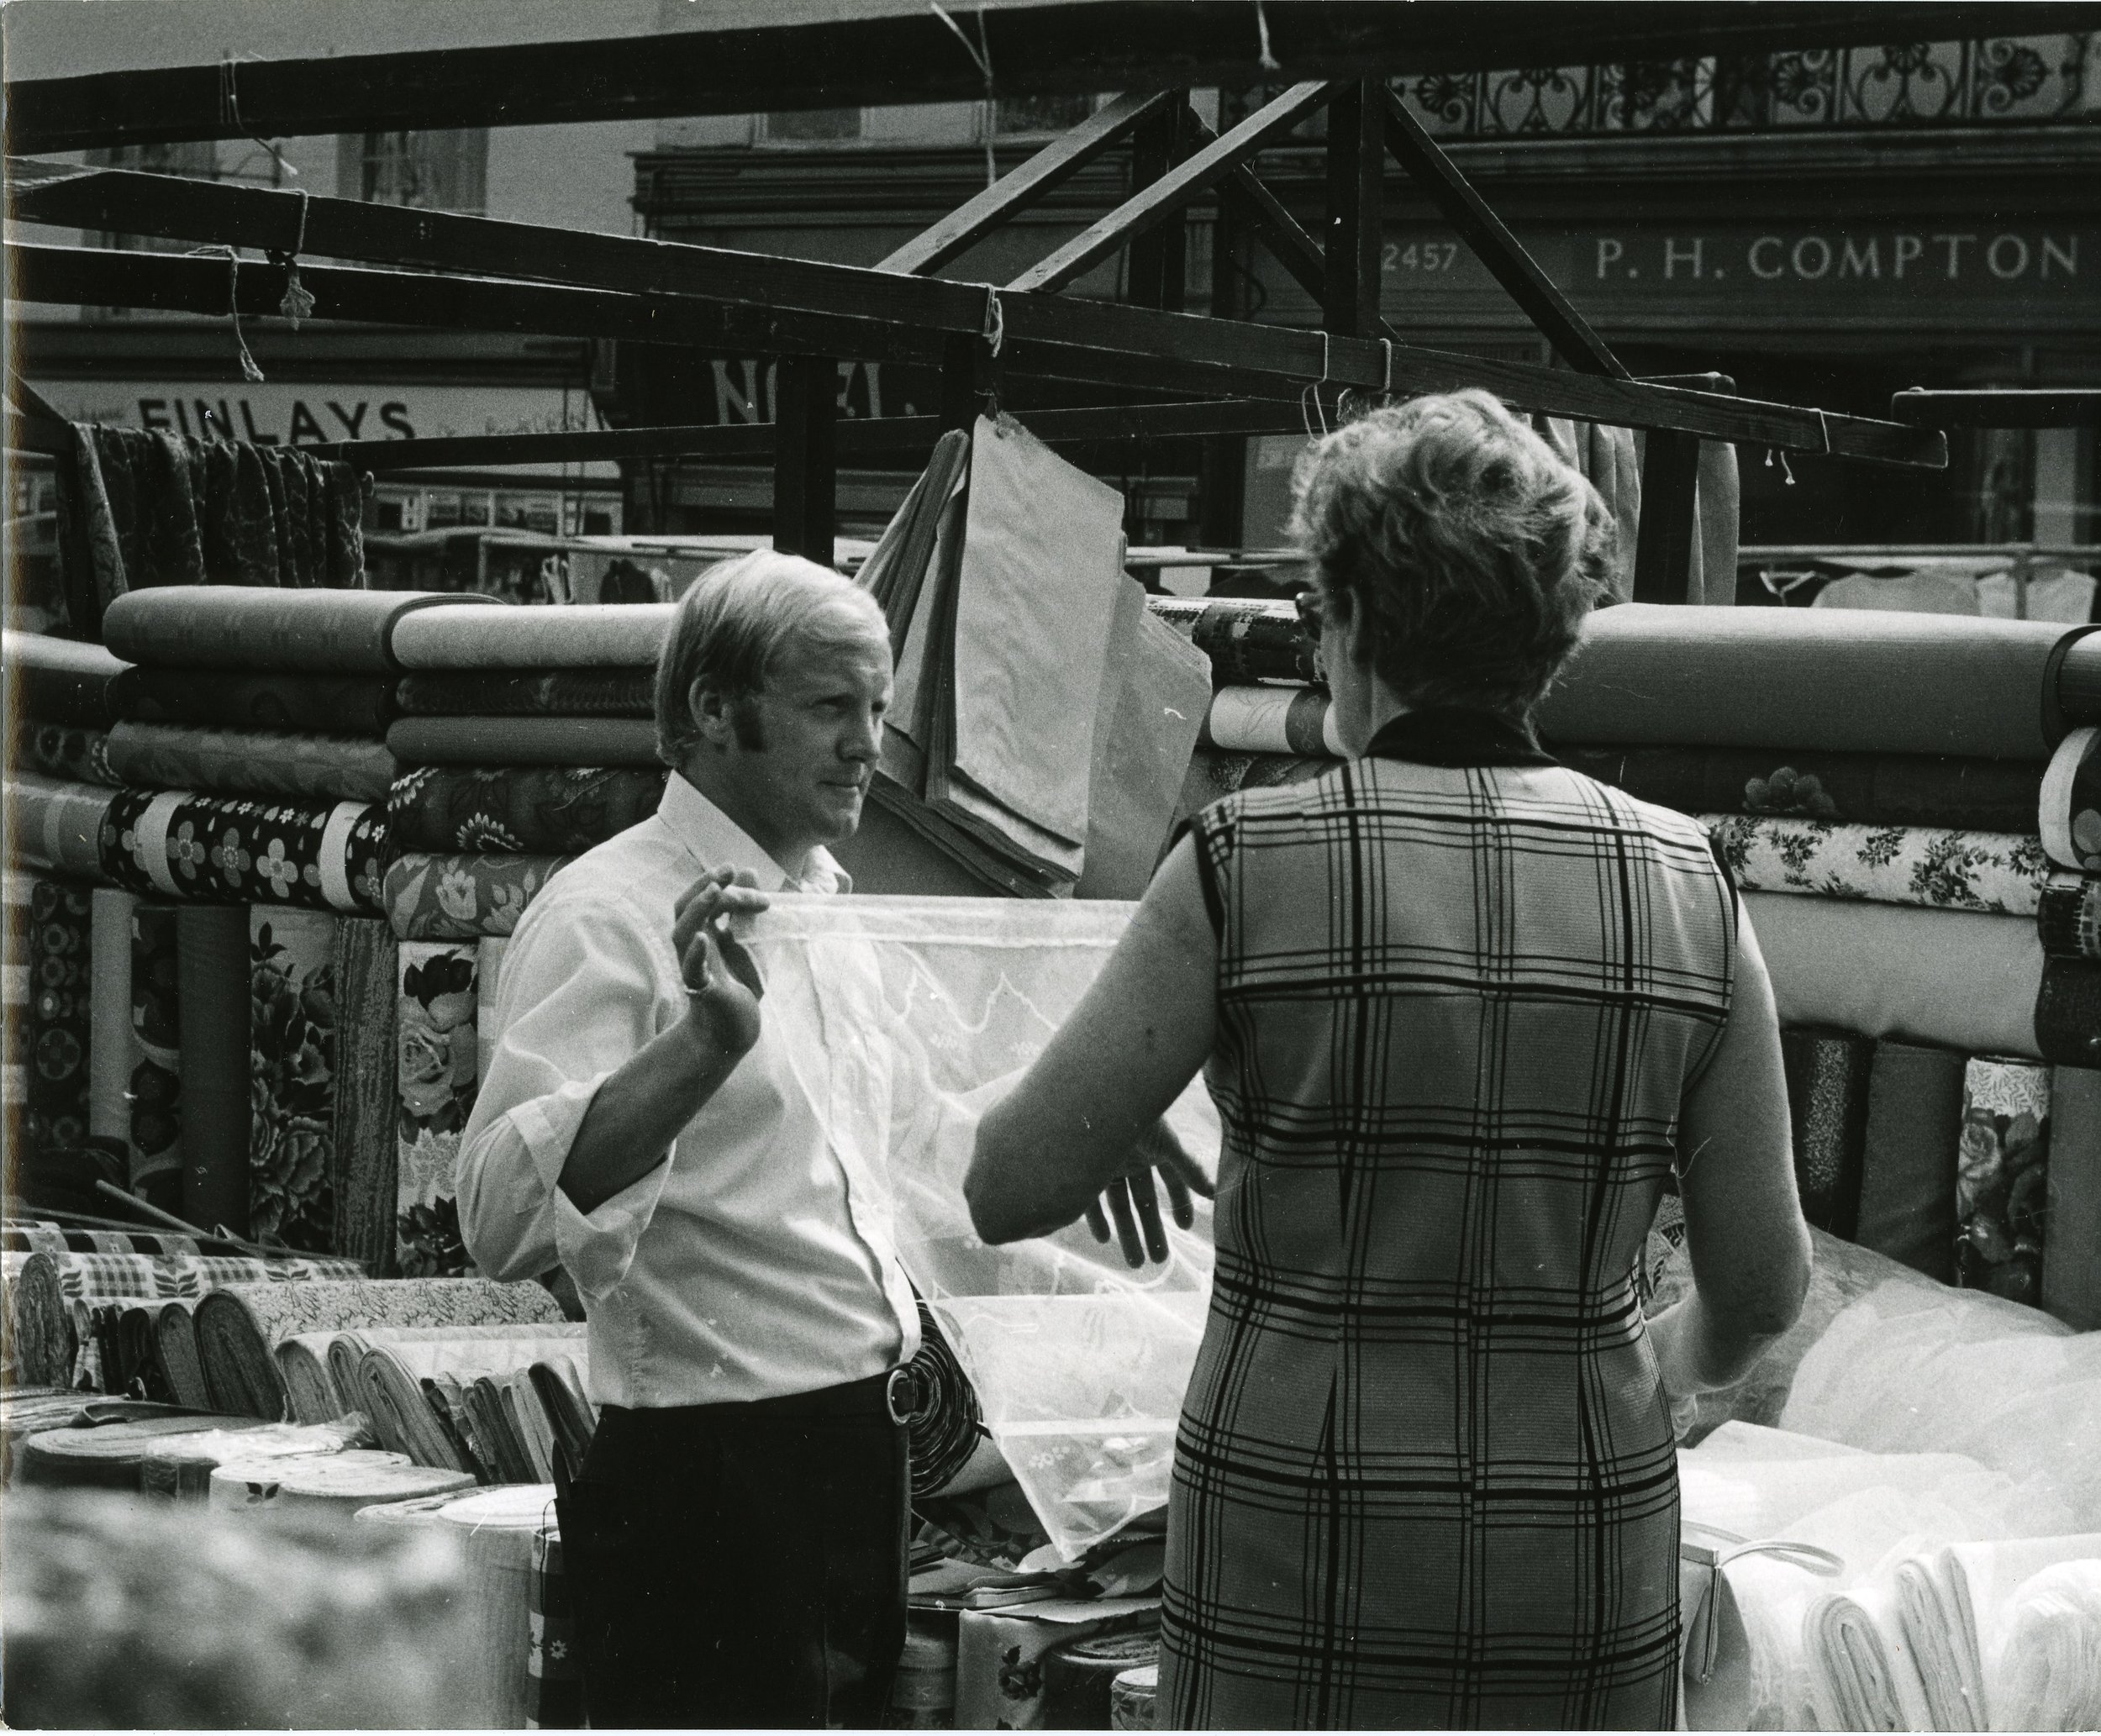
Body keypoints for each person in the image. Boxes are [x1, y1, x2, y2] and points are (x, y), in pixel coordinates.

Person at [966, 390, 1812, 1729]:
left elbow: (1004, 1185)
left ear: (1351, 616)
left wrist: (1107, 1112)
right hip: (1578, 1549)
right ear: (1552, 634)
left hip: (1293, 1545)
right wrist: (1654, 1356)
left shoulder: (1244, 869)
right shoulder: (1685, 880)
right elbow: (1764, 1286)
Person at [456, 548, 1190, 1728]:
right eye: (830, 706)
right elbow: (494, 1212)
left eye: (880, 709)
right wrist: (699, 1049)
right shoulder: (609, 914)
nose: (868, 743)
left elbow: (911, 1144)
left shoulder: (824, 910)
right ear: (711, 709)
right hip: (708, 1486)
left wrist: (1092, 1118)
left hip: (853, 1469)